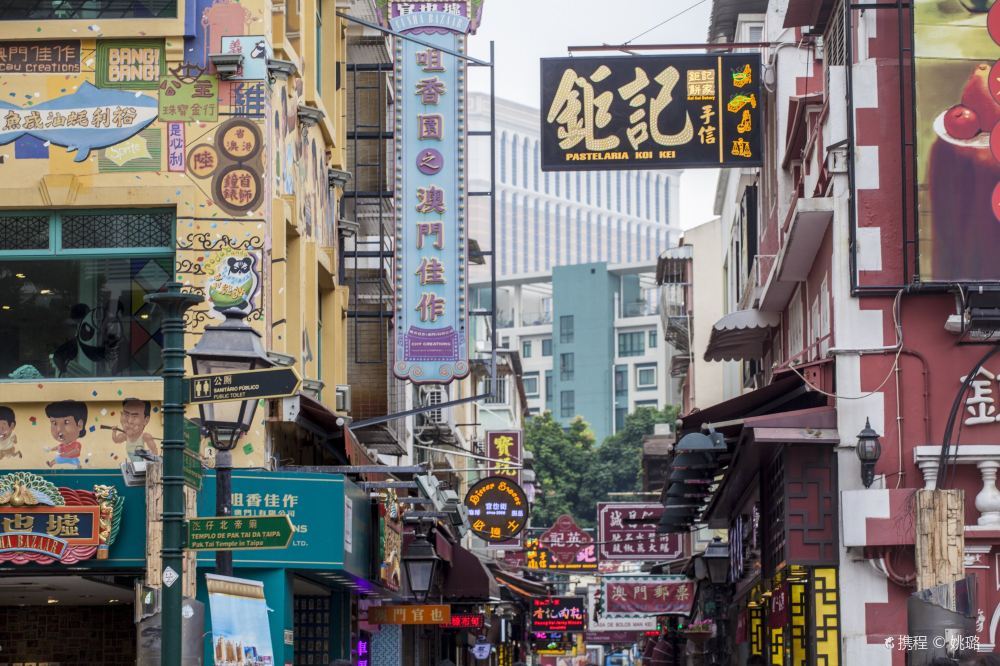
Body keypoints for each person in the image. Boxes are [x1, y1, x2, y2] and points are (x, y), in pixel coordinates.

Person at [44, 400, 86, 468]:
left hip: (71, 458)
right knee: (56, 459)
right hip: (63, 457)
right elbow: (57, 447)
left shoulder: (76, 444)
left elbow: (76, 451)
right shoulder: (62, 445)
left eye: (66, 422)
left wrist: (67, 454)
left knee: (76, 462)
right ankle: (51, 464)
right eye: (54, 423)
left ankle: (79, 467)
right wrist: (50, 449)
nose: (59, 429)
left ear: (79, 425)